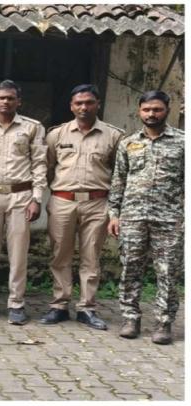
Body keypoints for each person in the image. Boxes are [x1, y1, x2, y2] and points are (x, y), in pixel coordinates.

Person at [40, 84, 124, 330]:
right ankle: (59, 305)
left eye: (89, 103)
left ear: (98, 104)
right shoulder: (57, 135)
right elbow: (47, 167)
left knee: (91, 256)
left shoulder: (113, 136)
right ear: (71, 106)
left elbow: (120, 173)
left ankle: (87, 308)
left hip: (97, 202)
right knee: (60, 254)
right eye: (79, 103)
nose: (84, 107)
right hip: (63, 201)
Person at [107, 90, 183, 344]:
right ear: (139, 111)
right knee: (130, 269)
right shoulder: (128, 143)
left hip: (170, 219)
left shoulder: (183, 142)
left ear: (167, 110)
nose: (151, 114)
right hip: (133, 218)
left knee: (167, 272)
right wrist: (114, 214)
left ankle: (164, 323)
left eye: (157, 109)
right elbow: (118, 180)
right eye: (147, 109)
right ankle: (130, 318)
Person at [0, 80, 47, 324]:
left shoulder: (32, 128)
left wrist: (36, 198)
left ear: (19, 102)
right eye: (2, 98)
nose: (5, 102)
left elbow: (39, 164)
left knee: (18, 252)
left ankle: (16, 303)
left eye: (10, 98)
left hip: (21, 195)